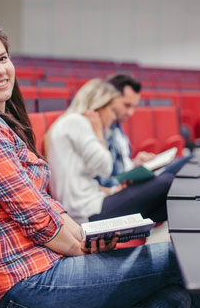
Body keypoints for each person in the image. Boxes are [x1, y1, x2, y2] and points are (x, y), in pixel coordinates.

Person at [0, 21, 200, 308]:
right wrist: (79, 248)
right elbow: (35, 216)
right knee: (185, 257)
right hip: (25, 284)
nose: (0, 70)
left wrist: (85, 238)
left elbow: (44, 203)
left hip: (46, 267)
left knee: (173, 300)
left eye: (3, 58)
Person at [46, 78, 173, 224]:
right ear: (99, 106)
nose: (113, 117)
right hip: (86, 212)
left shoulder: (73, 122)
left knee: (162, 204)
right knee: (167, 181)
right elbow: (105, 168)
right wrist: (98, 132)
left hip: (92, 203)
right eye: (112, 110)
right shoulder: (76, 122)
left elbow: (83, 180)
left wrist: (112, 191)